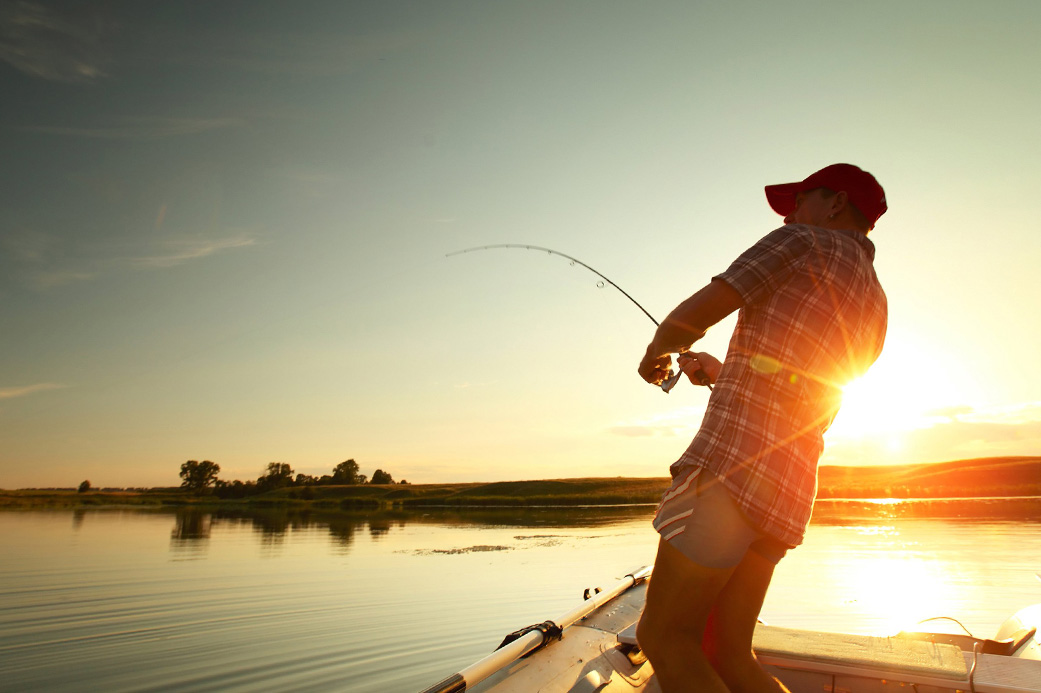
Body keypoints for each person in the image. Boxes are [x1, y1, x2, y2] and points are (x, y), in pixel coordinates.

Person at [635, 163, 889, 692]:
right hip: (790, 488)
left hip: (731, 470)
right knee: (729, 653)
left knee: (664, 637)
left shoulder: (799, 242)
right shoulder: (876, 298)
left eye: (800, 201)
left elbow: (701, 310)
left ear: (836, 203)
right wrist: (723, 374)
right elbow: (811, 390)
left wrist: (657, 351)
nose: (791, 214)